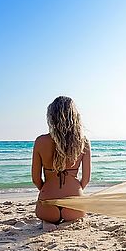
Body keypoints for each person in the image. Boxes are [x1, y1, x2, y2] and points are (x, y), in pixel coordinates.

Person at [32, 96, 91, 230]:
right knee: (78, 215)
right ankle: (67, 223)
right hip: (74, 207)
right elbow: (86, 180)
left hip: (47, 206)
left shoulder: (40, 141)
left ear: (51, 117)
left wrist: (47, 191)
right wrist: (74, 190)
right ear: (75, 117)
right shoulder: (83, 142)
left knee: (46, 218)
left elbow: (36, 179)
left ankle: (48, 222)